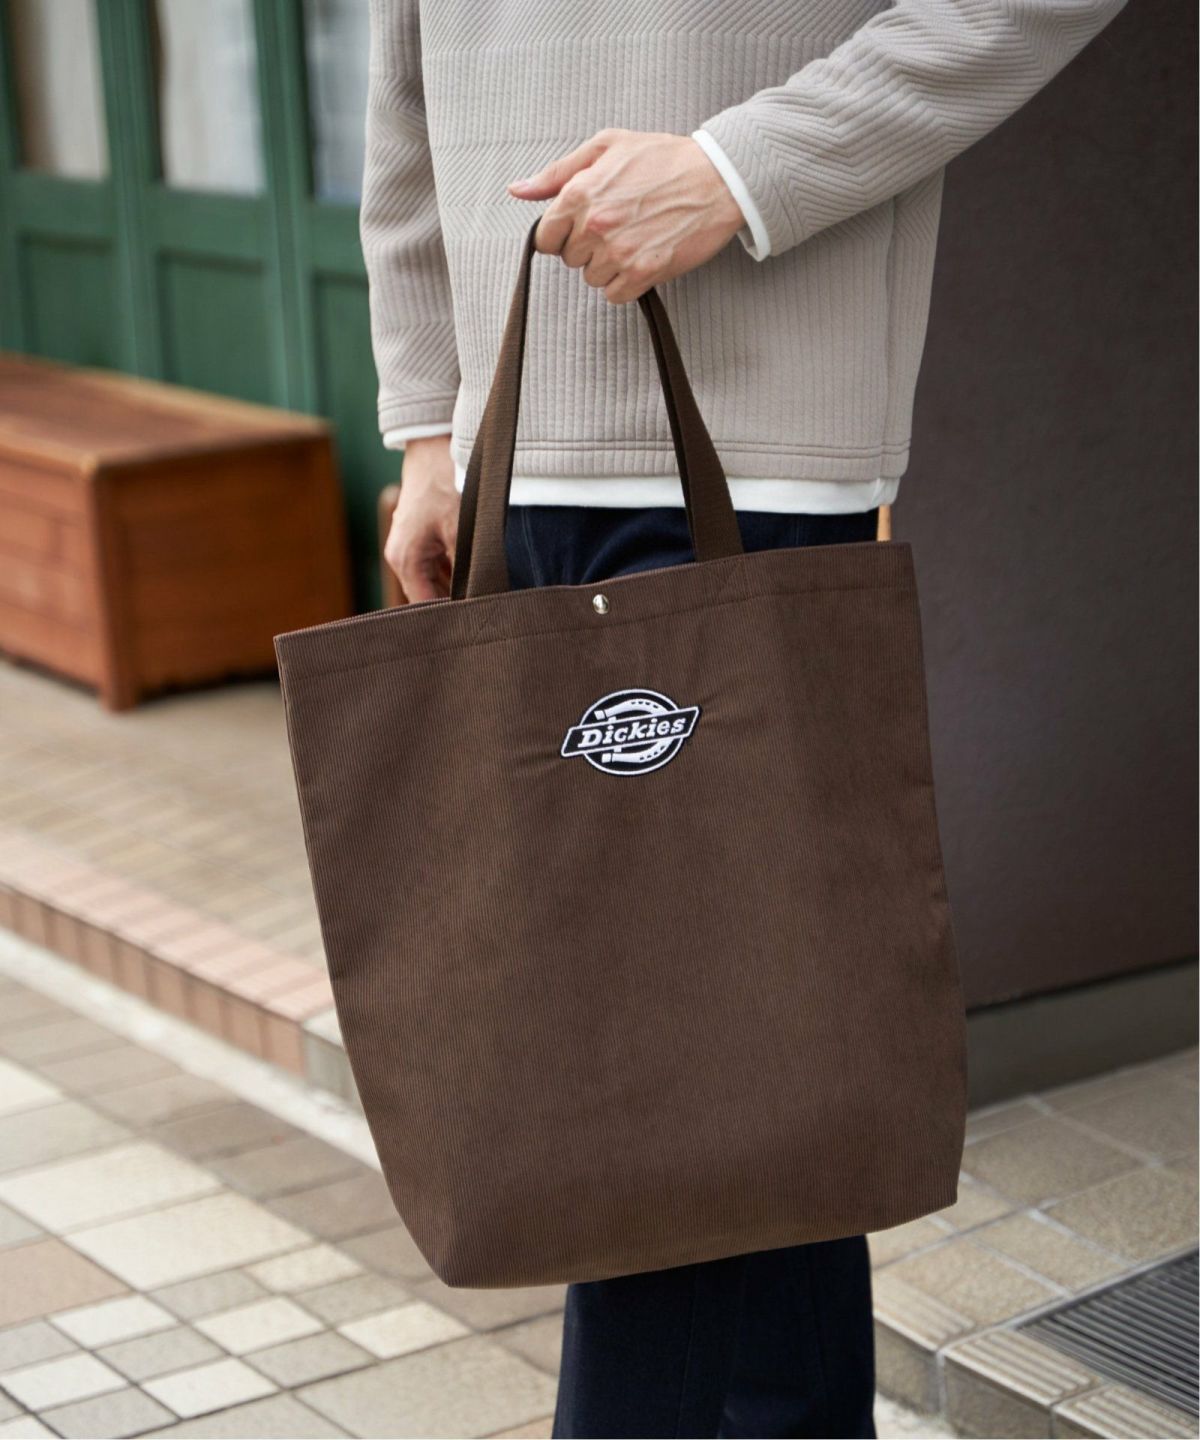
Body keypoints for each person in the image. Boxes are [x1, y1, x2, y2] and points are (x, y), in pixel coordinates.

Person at [360, 2, 1124, 1434]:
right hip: (513, 458)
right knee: (738, 1075)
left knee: (669, 1102)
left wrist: (738, 169)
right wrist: (426, 430)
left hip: (760, 442)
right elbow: (404, 95)